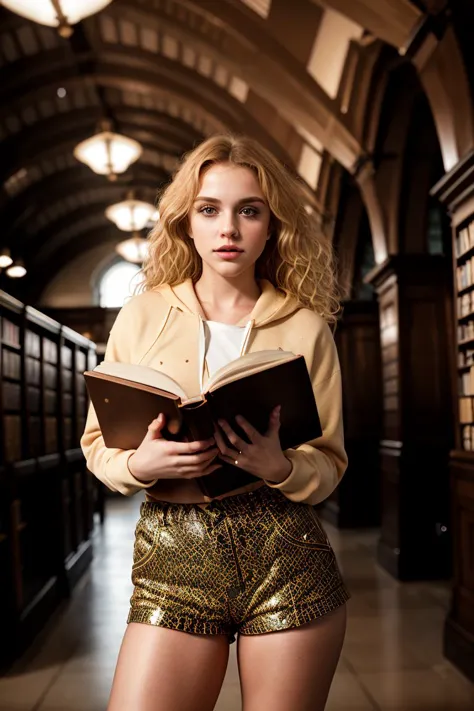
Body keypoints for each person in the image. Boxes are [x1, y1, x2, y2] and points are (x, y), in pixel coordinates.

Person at [81, 134, 350, 711]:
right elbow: (97, 442)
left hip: (286, 552)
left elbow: (330, 464)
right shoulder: (143, 313)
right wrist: (137, 464)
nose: (228, 228)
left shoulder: (307, 327)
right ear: (187, 224)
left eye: (248, 211)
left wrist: (280, 466)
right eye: (210, 210)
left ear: (271, 225)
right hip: (173, 551)